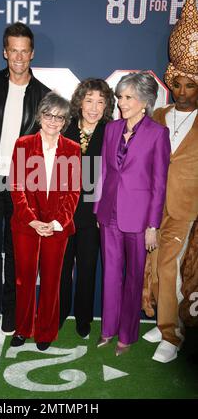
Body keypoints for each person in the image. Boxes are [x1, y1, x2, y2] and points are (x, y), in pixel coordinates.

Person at [0, 22, 50, 335]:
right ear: (5, 52)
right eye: (13, 51)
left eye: (24, 51)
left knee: (18, 251)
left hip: (22, 185)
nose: (19, 57)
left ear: (32, 54)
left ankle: (12, 311)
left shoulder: (44, 94)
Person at [93, 71, 171, 356]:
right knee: (111, 275)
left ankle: (127, 335)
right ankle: (107, 330)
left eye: (127, 98)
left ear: (144, 102)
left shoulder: (157, 134)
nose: (121, 103)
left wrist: (153, 224)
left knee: (134, 277)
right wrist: (98, 208)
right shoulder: (112, 129)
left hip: (139, 219)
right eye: (120, 97)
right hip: (109, 213)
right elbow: (104, 172)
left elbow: (159, 183)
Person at [142, 0, 198, 363]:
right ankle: (163, 320)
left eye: (189, 85)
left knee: (171, 266)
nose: (181, 92)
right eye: (176, 84)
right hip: (154, 205)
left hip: (186, 207)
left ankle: (172, 337)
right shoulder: (159, 116)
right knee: (155, 264)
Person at [9, 92, 81, 350]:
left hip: (57, 228)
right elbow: (16, 186)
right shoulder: (23, 144)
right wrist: (30, 220)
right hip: (26, 226)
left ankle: (46, 332)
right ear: (40, 116)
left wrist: (58, 222)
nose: (53, 121)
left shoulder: (72, 149)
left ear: (65, 121)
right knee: (24, 279)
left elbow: (73, 191)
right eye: (49, 114)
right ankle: (23, 328)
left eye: (59, 117)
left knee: (52, 280)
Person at [59, 78, 114, 338]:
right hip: (63, 212)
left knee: (88, 268)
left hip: (93, 215)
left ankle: (83, 319)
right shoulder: (64, 127)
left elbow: (114, 177)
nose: (94, 107)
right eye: (89, 100)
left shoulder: (111, 132)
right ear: (80, 101)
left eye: (100, 102)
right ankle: (58, 314)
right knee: (60, 267)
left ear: (107, 106)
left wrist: (103, 212)